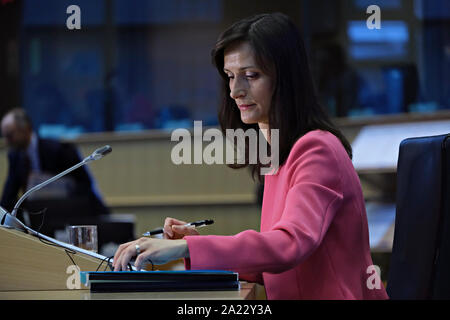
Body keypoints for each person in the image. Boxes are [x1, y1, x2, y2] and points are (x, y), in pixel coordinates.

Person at [112, 13, 389, 300]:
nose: (235, 91)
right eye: (230, 77)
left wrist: (187, 249)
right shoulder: (278, 153)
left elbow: (288, 245)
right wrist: (196, 243)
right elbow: (273, 266)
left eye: (251, 75)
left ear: (286, 78)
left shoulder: (317, 149)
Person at [0, 108, 109, 220]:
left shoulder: (58, 150)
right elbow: (8, 197)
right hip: (39, 217)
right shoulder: (15, 156)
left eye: (10, 135)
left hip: (72, 213)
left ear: (26, 129)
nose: (7, 141)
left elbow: (84, 185)